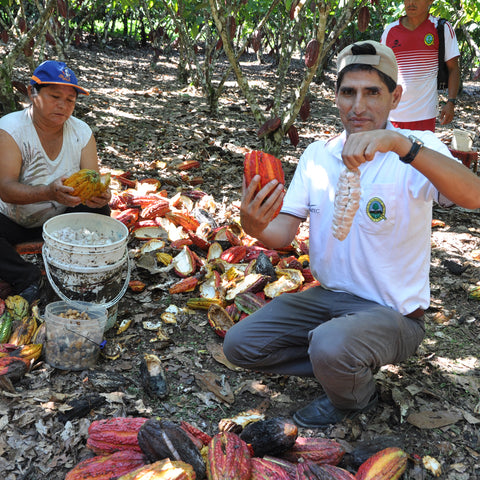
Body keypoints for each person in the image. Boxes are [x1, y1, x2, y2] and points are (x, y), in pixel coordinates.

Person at [222, 40, 480, 428]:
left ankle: (353, 396)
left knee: (331, 344)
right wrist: (255, 226)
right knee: (240, 345)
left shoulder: (419, 148)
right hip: (328, 299)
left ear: (395, 97)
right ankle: (341, 362)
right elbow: (284, 234)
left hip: (393, 314)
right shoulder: (318, 155)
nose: (358, 106)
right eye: (348, 92)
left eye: (372, 92)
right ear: (337, 97)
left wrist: (399, 145)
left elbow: (474, 196)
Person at [0, 60, 111, 303]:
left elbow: (93, 182)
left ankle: (79, 271)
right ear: (32, 93)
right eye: (54, 96)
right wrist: (49, 192)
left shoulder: (82, 132)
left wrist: (99, 196)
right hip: (12, 220)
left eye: (70, 100)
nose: (63, 105)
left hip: (61, 221)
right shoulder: (10, 129)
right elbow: (5, 190)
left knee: (101, 211)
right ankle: (26, 277)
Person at [380, 0, 460, 132]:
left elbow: (453, 68)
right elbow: (381, 68)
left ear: (430, 1)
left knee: (420, 152)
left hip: (424, 113)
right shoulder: (390, 30)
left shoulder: (441, 28)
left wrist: (451, 102)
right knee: (392, 152)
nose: (411, 3)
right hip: (392, 113)